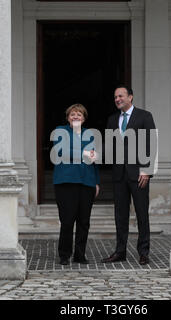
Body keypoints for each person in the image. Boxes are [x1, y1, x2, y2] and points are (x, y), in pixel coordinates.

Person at [101, 86, 156, 265]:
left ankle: (143, 252)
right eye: (115, 97)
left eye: (121, 96)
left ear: (130, 97)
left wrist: (147, 170)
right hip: (119, 175)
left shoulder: (144, 116)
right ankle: (120, 251)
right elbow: (109, 148)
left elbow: (151, 144)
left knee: (142, 214)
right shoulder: (112, 119)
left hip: (139, 174)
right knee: (120, 215)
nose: (117, 99)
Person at [53, 104, 100, 265]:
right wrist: (84, 153)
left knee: (84, 221)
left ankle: (80, 255)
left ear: (84, 118)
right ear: (67, 117)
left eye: (79, 115)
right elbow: (61, 152)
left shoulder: (90, 134)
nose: (75, 117)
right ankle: (64, 254)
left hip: (87, 181)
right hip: (65, 182)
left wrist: (96, 182)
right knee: (67, 220)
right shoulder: (61, 131)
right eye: (72, 114)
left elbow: (93, 160)